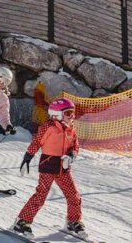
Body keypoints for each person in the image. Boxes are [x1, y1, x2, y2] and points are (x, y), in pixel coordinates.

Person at [11, 98, 85, 240]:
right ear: (56, 114)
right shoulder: (48, 127)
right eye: (68, 113)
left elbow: (75, 146)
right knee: (41, 196)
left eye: (73, 113)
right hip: (48, 165)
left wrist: (71, 155)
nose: (72, 116)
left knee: (73, 195)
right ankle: (22, 222)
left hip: (63, 167)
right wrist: (28, 156)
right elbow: (37, 141)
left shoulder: (71, 129)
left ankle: (73, 221)